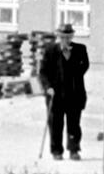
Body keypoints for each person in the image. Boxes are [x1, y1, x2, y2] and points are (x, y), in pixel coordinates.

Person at [38, 23, 90, 161]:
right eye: (62, 37)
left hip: (74, 93)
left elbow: (84, 66)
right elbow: (43, 72)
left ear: (72, 36)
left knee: (74, 124)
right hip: (55, 94)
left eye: (68, 37)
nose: (65, 40)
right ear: (58, 37)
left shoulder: (80, 49)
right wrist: (48, 87)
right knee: (56, 124)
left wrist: (72, 64)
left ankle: (74, 150)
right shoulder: (50, 50)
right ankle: (56, 151)